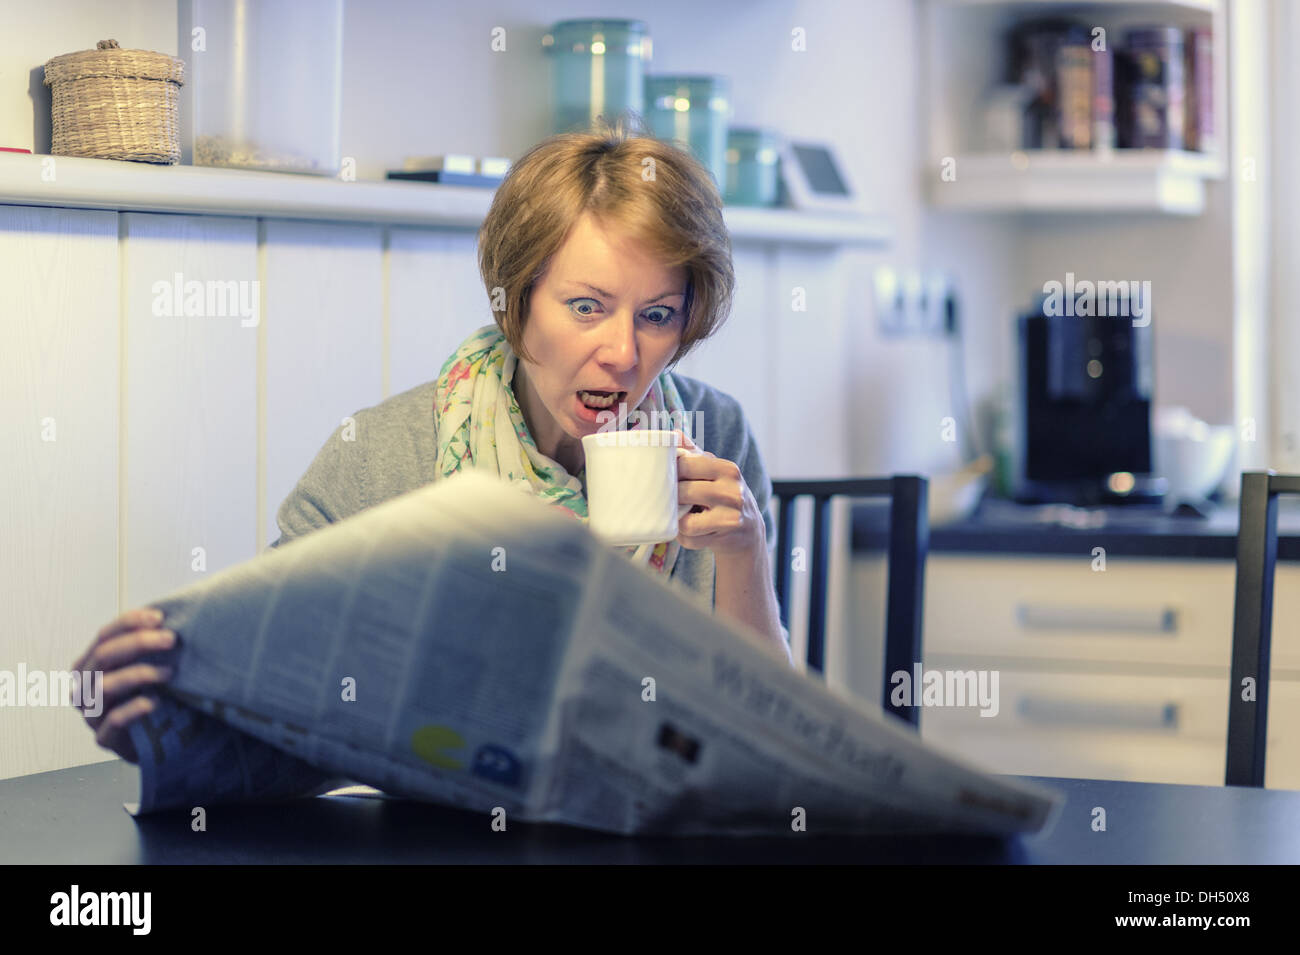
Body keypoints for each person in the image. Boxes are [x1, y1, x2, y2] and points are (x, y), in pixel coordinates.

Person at [75, 117, 792, 764]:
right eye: (586, 306)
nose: (623, 353)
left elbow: (773, 737)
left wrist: (746, 552)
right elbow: (275, 700)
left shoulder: (714, 436)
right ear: (516, 303)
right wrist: (153, 727)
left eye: (658, 315)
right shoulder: (383, 456)